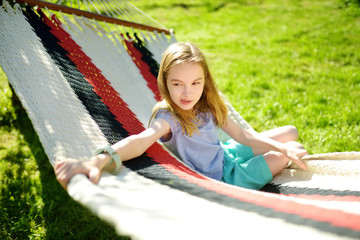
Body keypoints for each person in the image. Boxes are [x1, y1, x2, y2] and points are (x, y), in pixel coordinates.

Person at [55, 42, 308, 190]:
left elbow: (242, 135)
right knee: (294, 146)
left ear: (204, 80)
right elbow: (141, 141)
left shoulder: (207, 104)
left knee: (290, 132)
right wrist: (99, 160)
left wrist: (282, 148)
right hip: (223, 177)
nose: (188, 93)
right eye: (177, 84)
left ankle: (285, 150)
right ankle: (284, 153)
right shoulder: (169, 117)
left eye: (196, 83)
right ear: (165, 81)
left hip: (225, 153)